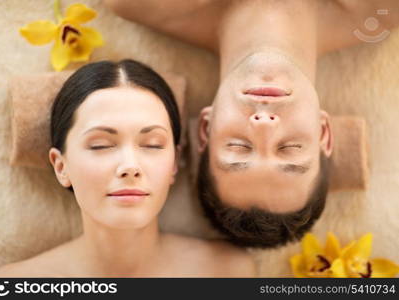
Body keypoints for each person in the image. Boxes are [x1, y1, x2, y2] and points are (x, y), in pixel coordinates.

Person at [104, 0, 399, 248]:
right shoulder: (380, 11)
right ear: (323, 132)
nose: (264, 124)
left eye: (239, 146)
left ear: (206, 127)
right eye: (290, 147)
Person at [0, 59, 255, 277]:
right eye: (100, 145)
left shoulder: (227, 273)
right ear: (61, 167)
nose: (130, 167)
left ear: (174, 163)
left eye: (152, 144)